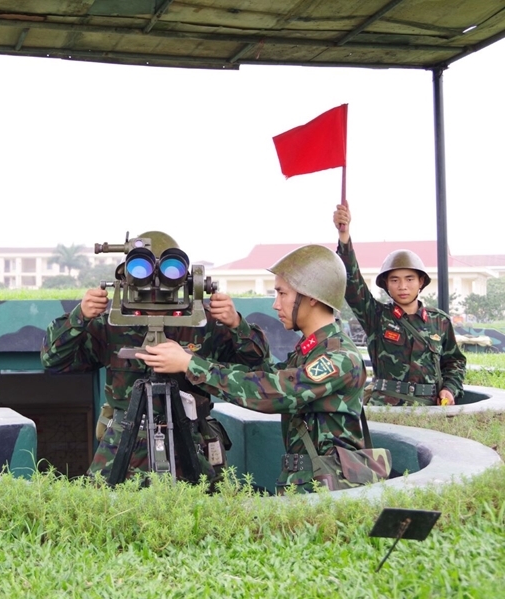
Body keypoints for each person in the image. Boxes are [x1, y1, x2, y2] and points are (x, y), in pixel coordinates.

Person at [40, 231, 270, 488]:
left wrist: (236, 324)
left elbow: (258, 362)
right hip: (124, 444)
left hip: (192, 443)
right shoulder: (111, 325)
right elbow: (54, 360)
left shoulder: (205, 323)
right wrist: (79, 316)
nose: (156, 286)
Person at [137, 245, 369, 494]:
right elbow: (267, 374)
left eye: (282, 293)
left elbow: (277, 391)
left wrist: (189, 364)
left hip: (329, 487)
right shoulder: (311, 350)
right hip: (311, 480)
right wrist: (236, 326)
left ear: (311, 296)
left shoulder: (339, 357)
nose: (275, 304)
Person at [333, 204, 466, 406]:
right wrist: (344, 236)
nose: (402, 286)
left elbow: (454, 362)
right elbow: (352, 285)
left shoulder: (440, 322)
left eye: (409, 279)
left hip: (429, 407)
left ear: (421, 282)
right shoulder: (376, 316)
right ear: (386, 284)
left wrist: (449, 389)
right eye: (394, 280)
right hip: (385, 407)